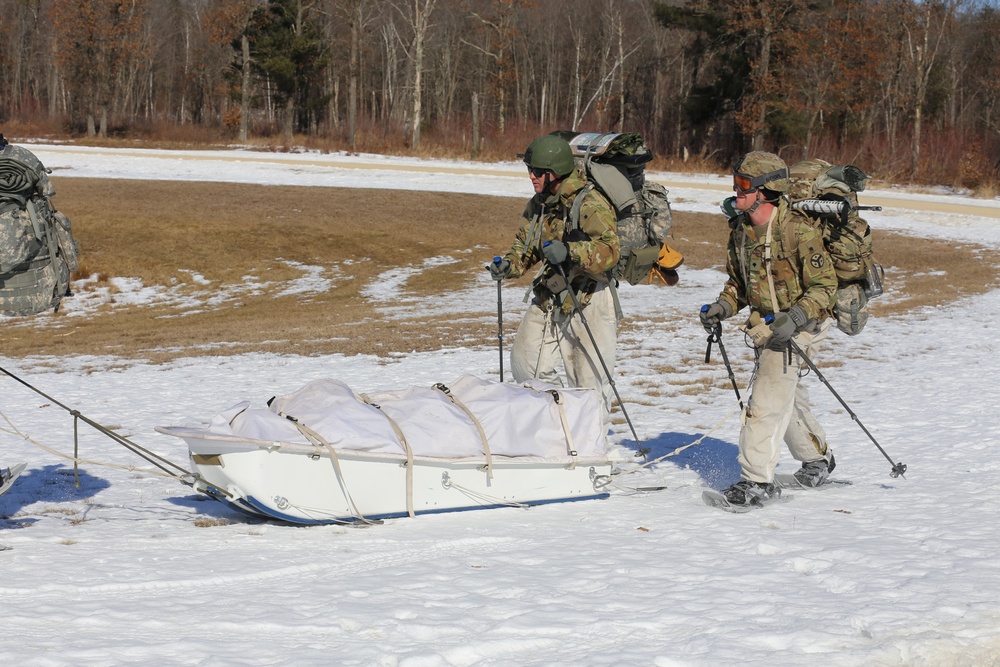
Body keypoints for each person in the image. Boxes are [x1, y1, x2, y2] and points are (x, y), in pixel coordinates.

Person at [700, 151, 838, 508]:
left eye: (744, 185)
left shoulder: (797, 229)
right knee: (784, 398)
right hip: (767, 325)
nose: (736, 191)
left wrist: (794, 319)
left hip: (803, 323)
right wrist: (723, 307)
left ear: (766, 191)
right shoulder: (742, 230)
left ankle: (756, 481)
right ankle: (817, 459)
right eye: (735, 183)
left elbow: (825, 287)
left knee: (764, 401)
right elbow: (739, 284)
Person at [489, 134, 620, 425]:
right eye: (529, 170)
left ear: (555, 172)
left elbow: (611, 251)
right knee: (525, 363)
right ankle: (555, 424)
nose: (532, 177)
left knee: (589, 384)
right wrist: (507, 266)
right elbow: (523, 249)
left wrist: (571, 251)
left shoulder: (590, 203)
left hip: (590, 297)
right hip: (552, 293)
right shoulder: (539, 205)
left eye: (537, 171)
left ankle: (591, 448)